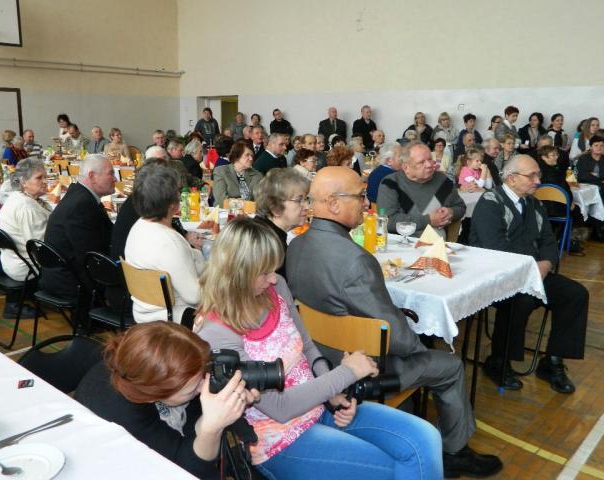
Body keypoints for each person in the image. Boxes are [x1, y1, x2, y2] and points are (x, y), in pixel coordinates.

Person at [286, 167, 501, 478]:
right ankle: (455, 451)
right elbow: (396, 337)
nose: (367, 203)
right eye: (361, 196)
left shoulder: (296, 245)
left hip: (318, 359)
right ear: (333, 203)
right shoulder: (356, 259)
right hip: (363, 368)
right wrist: (420, 347)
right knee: (450, 365)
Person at [196, 218, 444, 479]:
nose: (273, 277)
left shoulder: (275, 288)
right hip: (278, 439)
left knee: (425, 438)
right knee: (391, 469)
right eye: (264, 272)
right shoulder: (217, 332)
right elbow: (280, 407)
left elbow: (308, 346)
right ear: (238, 276)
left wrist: (333, 392)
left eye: (273, 269)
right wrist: (346, 374)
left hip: (319, 409)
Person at [75, 321, 260, 480]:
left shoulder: (147, 367)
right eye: (193, 388)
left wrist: (220, 411)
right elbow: (188, 472)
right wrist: (211, 428)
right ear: (153, 396)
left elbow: (191, 429)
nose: (204, 386)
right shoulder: (124, 416)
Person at [470, 155, 588, 393]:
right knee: (521, 300)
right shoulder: (490, 202)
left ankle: (552, 361)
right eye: (532, 176)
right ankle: (499, 360)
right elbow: (496, 249)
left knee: (575, 294)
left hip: (534, 272)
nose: (538, 181)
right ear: (511, 178)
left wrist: (546, 264)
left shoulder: (534, 204)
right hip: (498, 275)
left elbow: (549, 241)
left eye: (538, 175)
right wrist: (532, 269)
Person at [124, 163, 204, 325]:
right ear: (172, 204)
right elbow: (195, 296)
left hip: (142, 311)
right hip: (170, 318)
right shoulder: (168, 241)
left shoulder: (138, 226)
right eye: (178, 191)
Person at [41, 154, 115, 303]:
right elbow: (90, 254)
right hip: (70, 282)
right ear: (92, 176)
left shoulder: (80, 194)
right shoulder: (81, 204)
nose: (115, 179)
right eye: (111, 174)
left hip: (62, 274)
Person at [0, 158, 50, 317]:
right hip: (25, 267)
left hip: (10, 261)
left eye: (45, 177)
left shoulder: (17, 197)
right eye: (39, 178)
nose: (45, 181)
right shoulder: (26, 207)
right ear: (24, 183)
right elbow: (40, 245)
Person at [377, 142, 466, 237]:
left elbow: (460, 207)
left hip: (436, 243)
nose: (429, 165)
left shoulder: (442, 181)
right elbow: (388, 221)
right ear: (406, 167)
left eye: (430, 159)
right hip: (401, 241)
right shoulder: (390, 183)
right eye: (421, 162)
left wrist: (451, 212)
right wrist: (428, 220)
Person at [254, 169, 311, 279]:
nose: (307, 207)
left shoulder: (268, 232)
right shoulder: (266, 245)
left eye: (306, 199)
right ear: (275, 208)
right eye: (298, 200)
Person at [213, 140, 263, 206]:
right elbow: (221, 199)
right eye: (247, 155)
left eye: (252, 156)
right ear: (237, 156)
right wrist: (242, 204)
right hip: (225, 210)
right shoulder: (221, 171)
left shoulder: (257, 175)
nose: (251, 159)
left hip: (249, 211)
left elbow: (260, 200)